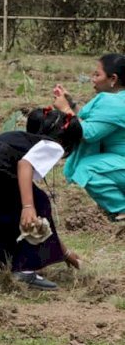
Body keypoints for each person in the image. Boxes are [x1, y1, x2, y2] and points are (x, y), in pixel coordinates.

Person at [0, 108, 83, 290]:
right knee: (39, 202)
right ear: (67, 140)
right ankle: (26, 270)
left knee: (9, 224)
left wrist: (65, 252)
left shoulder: (20, 138)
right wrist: (28, 206)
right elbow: (25, 165)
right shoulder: (53, 144)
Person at [53, 53, 125, 222]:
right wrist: (71, 105)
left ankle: (122, 207)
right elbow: (95, 123)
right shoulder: (118, 101)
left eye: (97, 74)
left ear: (113, 79)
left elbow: (88, 133)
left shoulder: (115, 104)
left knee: (86, 169)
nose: (92, 79)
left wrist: (66, 111)